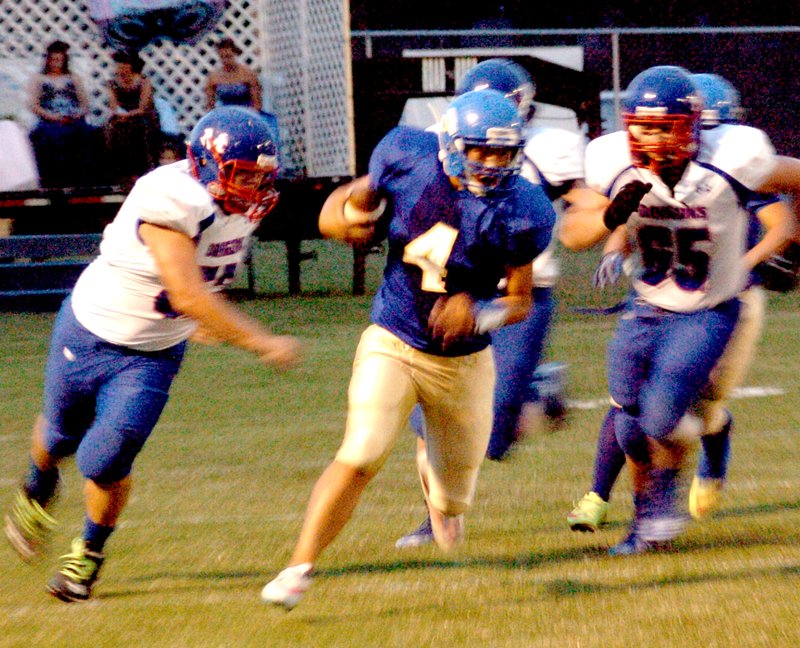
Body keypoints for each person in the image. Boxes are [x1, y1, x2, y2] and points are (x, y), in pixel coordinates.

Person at [261, 89, 555, 610]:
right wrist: (353, 213)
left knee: (452, 495)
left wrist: (478, 310)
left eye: (501, 153)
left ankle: (440, 499)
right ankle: (297, 569)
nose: (489, 164)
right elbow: (351, 206)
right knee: (361, 453)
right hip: (394, 337)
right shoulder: (405, 156)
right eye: (479, 150)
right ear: (448, 144)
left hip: (464, 363)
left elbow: (521, 302)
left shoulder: (524, 209)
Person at [3, 106, 300, 602]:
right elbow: (185, 292)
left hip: (152, 353)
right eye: (242, 174)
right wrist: (260, 339)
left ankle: (89, 552)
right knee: (58, 437)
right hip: (90, 330)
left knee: (107, 456)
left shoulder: (235, 208)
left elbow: (205, 277)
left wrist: (206, 318)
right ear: (206, 165)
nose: (253, 187)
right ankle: (38, 485)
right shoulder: (173, 196)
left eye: (260, 176)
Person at [558, 65, 800, 555]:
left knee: (663, 414)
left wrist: (782, 251)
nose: (653, 139)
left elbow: (793, 178)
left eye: (665, 126)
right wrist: (611, 219)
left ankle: (665, 498)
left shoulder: (734, 157)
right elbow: (572, 234)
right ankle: (644, 523)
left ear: (692, 126)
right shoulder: (612, 160)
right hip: (646, 306)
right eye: (643, 126)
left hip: (708, 308)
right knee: (627, 419)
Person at [395, 58, 585, 549]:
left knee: (493, 437)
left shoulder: (548, 147)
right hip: (454, 286)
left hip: (521, 298)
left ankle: (538, 395)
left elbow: (584, 201)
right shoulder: (441, 145)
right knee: (430, 416)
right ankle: (432, 521)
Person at [27, 40, 99, 188]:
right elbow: (33, 105)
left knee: (88, 134)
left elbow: (85, 103)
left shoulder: (73, 78)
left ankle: (81, 180)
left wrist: (78, 114)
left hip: (73, 119)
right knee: (49, 137)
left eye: (59, 60)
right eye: (53, 60)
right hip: (50, 120)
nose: (56, 63)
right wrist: (51, 116)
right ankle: (54, 180)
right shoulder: (40, 79)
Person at [105, 50, 161, 186]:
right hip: (122, 116)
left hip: (141, 117)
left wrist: (128, 115)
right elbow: (113, 105)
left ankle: (143, 170)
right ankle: (120, 174)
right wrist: (121, 115)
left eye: (124, 64)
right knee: (112, 130)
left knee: (139, 129)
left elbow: (143, 107)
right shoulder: (112, 83)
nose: (120, 67)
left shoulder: (143, 81)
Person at [205, 37, 262, 111]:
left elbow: (257, 104)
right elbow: (210, 106)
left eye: (228, 57)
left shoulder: (248, 74)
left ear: (234, 54)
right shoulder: (213, 77)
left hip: (245, 113)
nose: (226, 60)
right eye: (222, 57)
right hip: (224, 114)